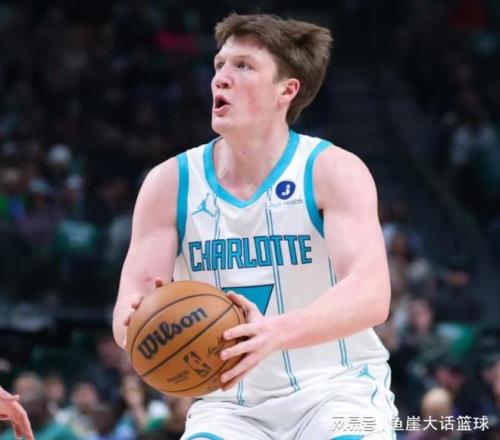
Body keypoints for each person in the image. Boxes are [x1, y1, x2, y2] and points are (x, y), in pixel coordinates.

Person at [113, 13, 397, 439]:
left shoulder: (332, 170)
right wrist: (138, 323)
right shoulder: (169, 183)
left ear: (287, 89)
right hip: (228, 404)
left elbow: (371, 294)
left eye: (243, 66)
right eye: (219, 65)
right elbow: (127, 314)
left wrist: (273, 332)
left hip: (337, 389)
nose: (221, 78)